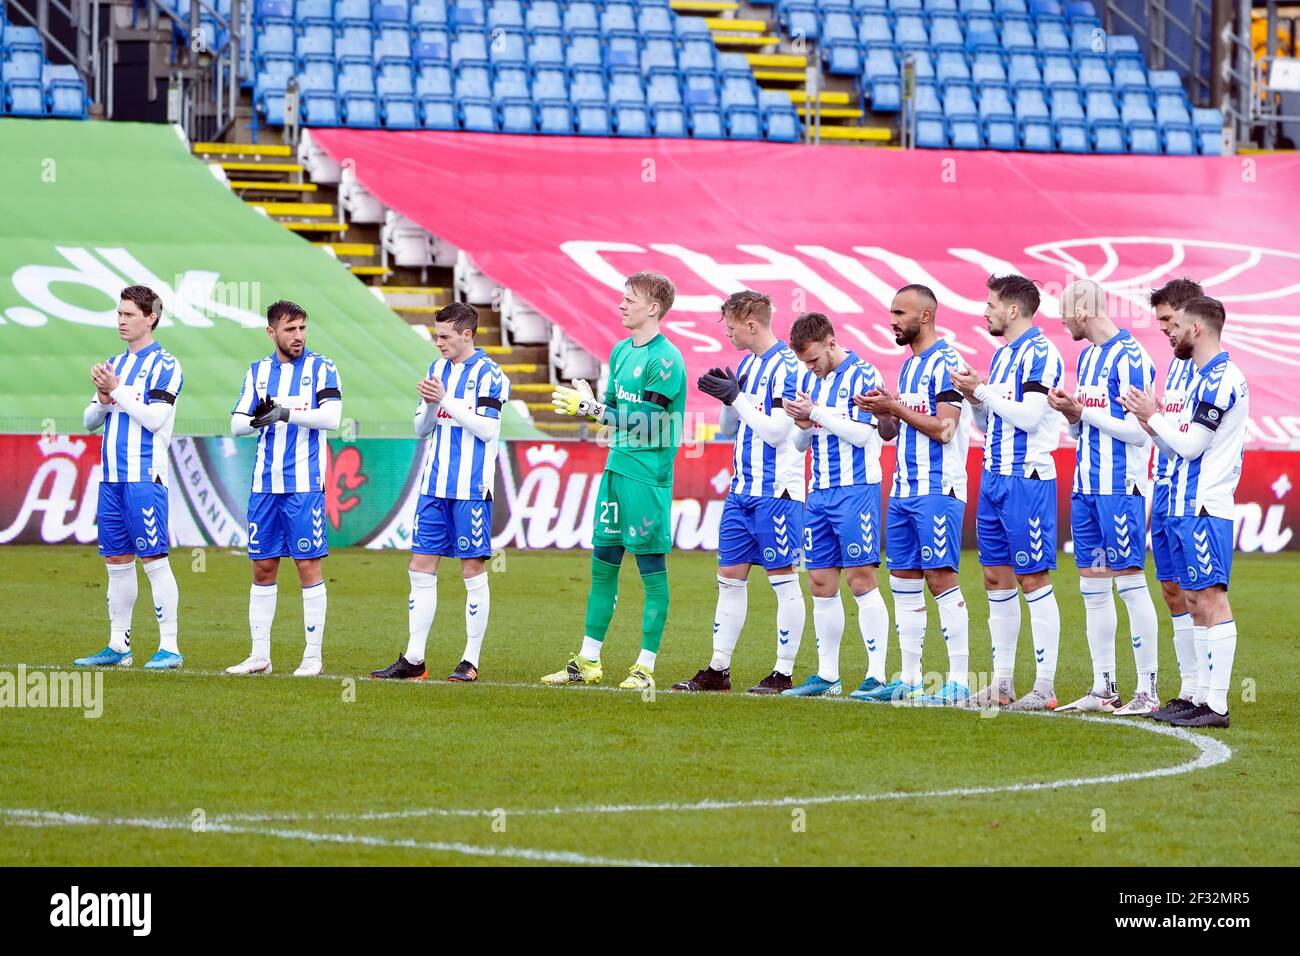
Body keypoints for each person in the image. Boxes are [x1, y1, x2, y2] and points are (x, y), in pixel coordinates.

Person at [541, 272, 686, 690]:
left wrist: (592, 409)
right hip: (616, 470)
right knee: (603, 563)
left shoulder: (667, 359)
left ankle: (645, 666)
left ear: (653, 308)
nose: (621, 305)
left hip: (648, 476)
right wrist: (591, 406)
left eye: (629, 300)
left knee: (650, 568)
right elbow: (613, 410)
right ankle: (587, 660)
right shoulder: (621, 351)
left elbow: (652, 422)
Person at [1119, 296, 1247, 729]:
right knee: (1191, 599)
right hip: (1179, 503)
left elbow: (1192, 446)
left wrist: (1152, 415)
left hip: (1205, 504)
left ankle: (1217, 704)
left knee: (1211, 599)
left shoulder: (1221, 378)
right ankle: (1195, 695)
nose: (1168, 332)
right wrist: (1148, 420)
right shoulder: (1195, 377)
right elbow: (1174, 443)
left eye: (1175, 326)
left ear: (1196, 329)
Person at [672, 290, 808, 695]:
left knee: (783, 581)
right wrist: (728, 398)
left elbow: (777, 431)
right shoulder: (747, 365)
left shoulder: (790, 367)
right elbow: (731, 430)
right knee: (729, 579)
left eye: (731, 325)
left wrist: (737, 396)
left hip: (778, 492)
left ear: (752, 323)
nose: (727, 332)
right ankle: (718, 669)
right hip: (742, 490)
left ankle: (783, 673)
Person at [370, 302, 510, 683]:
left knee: (471, 569)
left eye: (445, 336)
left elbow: (487, 429)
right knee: (420, 567)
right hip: (434, 485)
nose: (438, 343)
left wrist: (445, 399)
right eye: (436, 335)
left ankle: (470, 660)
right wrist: (433, 404)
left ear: (468, 334)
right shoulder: (436, 370)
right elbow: (421, 429)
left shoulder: (491, 375)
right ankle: (414, 658)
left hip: (470, 488)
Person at [854, 284, 973, 705]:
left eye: (900, 313)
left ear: (924, 316)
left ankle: (958, 681)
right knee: (903, 581)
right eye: (891, 313)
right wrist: (884, 413)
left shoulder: (948, 363)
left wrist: (897, 408)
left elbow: (945, 429)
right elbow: (893, 431)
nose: (892, 321)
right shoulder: (908, 368)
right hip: (904, 488)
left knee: (941, 579)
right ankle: (907, 678)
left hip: (937, 489)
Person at [951, 275, 1065, 711]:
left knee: (1032, 577)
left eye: (991, 303)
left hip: (1027, 479)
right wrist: (976, 398)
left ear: (1013, 310)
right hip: (995, 476)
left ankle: (1045, 686)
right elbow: (990, 422)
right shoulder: (1002, 358)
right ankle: (1002, 683)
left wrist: (980, 390)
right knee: (996, 578)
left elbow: (1033, 417)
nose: (985, 311)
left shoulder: (1040, 353)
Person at [1047, 279, 1160, 714]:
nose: (1060, 319)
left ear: (1082, 311)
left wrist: (1084, 411)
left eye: (1064, 311)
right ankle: (1103, 688)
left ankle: (1147, 690)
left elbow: (1139, 431)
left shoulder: (1131, 358)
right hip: (1086, 487)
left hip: (1120, 489)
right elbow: (1086, 426)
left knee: (1130, 584)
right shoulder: (1088, 356)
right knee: (1092, 588)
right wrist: (1072, 418)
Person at [781, 312, 896, 699]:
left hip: (856, 488)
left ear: (830, 342)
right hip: (821, 491)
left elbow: (865, 436)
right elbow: (802, 444)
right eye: (804, 362)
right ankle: (827, 676)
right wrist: (801, 425)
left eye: (813, 359)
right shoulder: (809, 380)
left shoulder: (865, 374)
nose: (810, 367)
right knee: (819, 580)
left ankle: (877, 675)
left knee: (860, 578)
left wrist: (815, 414)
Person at [226, 300, 342, 677]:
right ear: (271, 332)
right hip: (264, 485)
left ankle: (312, 656)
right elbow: (238, 425)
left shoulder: (321, 367)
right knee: (263, 567)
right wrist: (262, 417)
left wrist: (286, 412)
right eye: (290, 329)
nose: (298, 336)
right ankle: (260, 655)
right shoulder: (258, 372)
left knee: (307, 565)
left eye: (302, 328)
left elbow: (333, 418)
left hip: (305, 486)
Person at [75, 285, 185, 671]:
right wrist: (104, 400)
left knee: (154, 559)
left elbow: (155, 419)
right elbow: (89, 422)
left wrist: (117, 391)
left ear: (150, 317)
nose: (121, 320)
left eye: (129, 315)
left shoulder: (166, 365)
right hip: (111, 478)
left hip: (145, 477)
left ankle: (169, 647)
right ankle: (118, 646)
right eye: (119, 313)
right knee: (117, 561)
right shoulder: (112, 363)